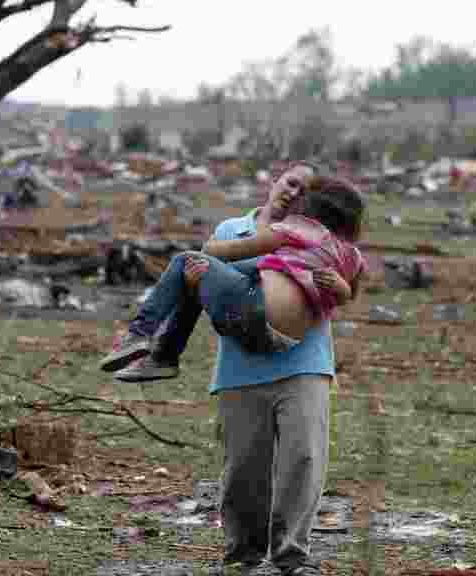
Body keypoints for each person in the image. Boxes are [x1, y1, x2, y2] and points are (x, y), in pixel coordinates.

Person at [116, 162, 358, 575]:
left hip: (305, 364)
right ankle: (243, 556)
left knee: (303, 459)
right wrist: (200, 280)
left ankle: (292, 557)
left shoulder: (325, 239)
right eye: (289, 182)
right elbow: (216, 286)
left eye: (304, 190)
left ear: (314, 202)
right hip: (240, 367)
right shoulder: (231, 230)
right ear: (275, 180)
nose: (292, 192)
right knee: (244, 469)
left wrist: (340, 286)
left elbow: (347, 286)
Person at [99, 175, 366, 371]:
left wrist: (209, 254)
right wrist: (339, 286)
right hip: (285, 340)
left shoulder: (295, 229)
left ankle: (141, 337)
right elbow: (347, 295)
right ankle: (163, 356)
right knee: (233, 269)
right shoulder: (351, 256)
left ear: (308, 209)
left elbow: (222, 252)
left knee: (186, 261)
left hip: (255, 312)